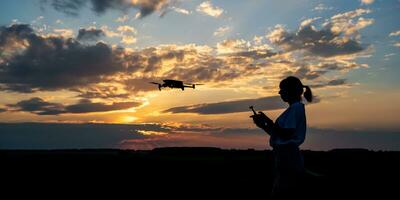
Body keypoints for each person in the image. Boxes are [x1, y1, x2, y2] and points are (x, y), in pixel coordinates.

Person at [250, 76, 312, 199]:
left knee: (283, 192)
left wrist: (269, 121)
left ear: (291, 91)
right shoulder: (293, 109)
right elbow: (280, 135)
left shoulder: (295, 108)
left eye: (282, 89)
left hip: (288, 155)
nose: (279, 92)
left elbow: (286, 134)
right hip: (285, 154)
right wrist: (263, 125)